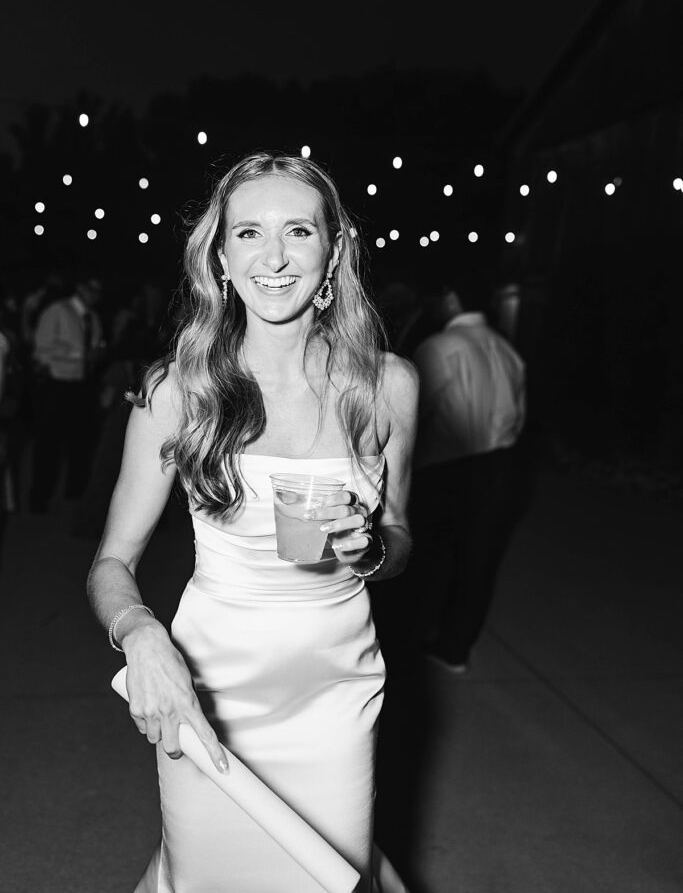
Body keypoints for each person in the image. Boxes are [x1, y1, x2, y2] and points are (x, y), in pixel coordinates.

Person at [87, 153, 418, 892]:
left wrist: (370, 549)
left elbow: (399, 536)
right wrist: (142, 636)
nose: (273, 257)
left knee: (328, 874)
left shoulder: (388, 385)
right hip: (210, 685)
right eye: (248, 233)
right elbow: (112, 562)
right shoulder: (179, 391)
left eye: (298, 231)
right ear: (221, 256)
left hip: (336, 688)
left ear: (334, 250)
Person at [410, 279, 526, 672]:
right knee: (478, 561)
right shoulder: (507, 348)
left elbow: (414, 415)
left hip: (447, 467)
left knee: (429, 560)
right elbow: (519, 415)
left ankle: (414, 638)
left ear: (452, 298)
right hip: (500, 466)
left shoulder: (440, 347)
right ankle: (454, 648)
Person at [30, 275, 104, 511]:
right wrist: (80, 355)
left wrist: (96, 355)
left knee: (80, 443)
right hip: (57, 385)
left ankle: (74, 495)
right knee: (48, 445)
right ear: (80, 287)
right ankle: (39, 498)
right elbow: (41, 349)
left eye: (99, 291)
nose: (95, 295)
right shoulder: (57, 310)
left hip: (83, 386)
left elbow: (96, 347)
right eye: (91, 289)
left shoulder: (93, 317)